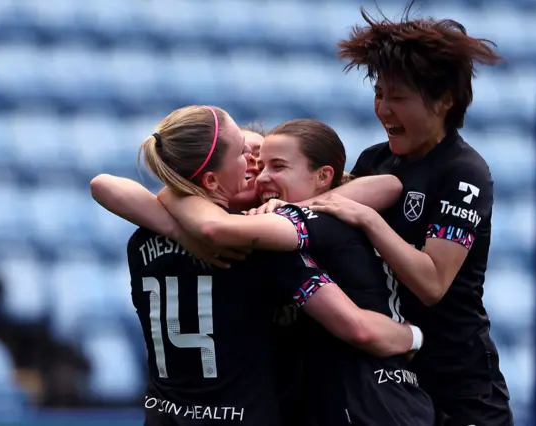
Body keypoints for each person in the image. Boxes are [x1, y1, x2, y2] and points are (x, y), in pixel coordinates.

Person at [94, 105, 421, 426]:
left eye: (266, 161)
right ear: (211, 179)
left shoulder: (141, 238)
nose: (254, 164)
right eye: (244, 154)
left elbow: (106, 185)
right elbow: (357, 327)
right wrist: (414, 336)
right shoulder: (258, 246)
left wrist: (178, 231)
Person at [297, 7, 512, 426]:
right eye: (379, 94)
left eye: (398, 98)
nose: (384, 110)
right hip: (393, 377)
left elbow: (432, 283)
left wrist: (369, 220)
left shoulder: (463, 172)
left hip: (461, 383)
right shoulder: (374, 161)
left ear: (444, 101)